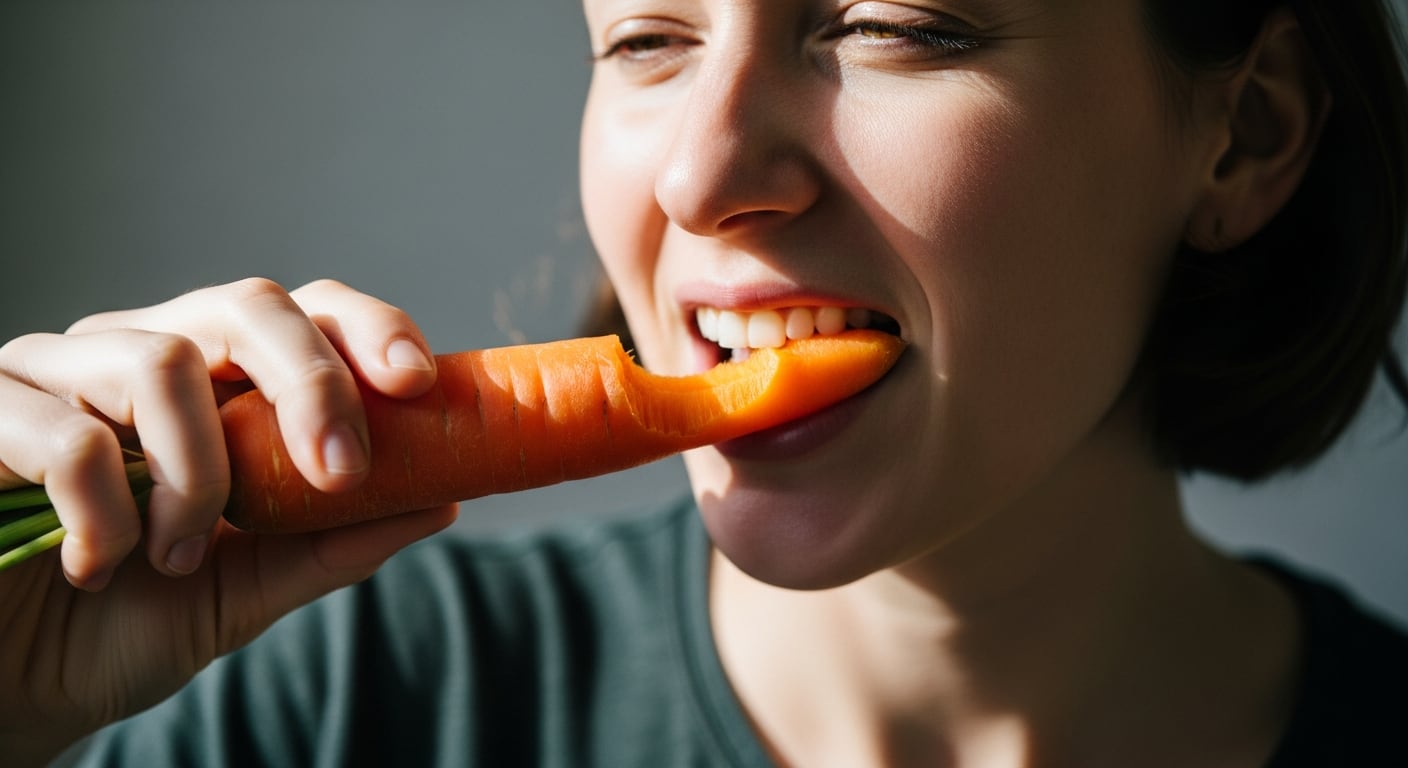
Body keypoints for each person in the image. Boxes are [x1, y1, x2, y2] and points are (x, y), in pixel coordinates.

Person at [3, 0, 1407, 765]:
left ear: (1245, 132)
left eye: (892, 25)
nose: (701, 173)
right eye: (649, 42)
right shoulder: (349, 710)